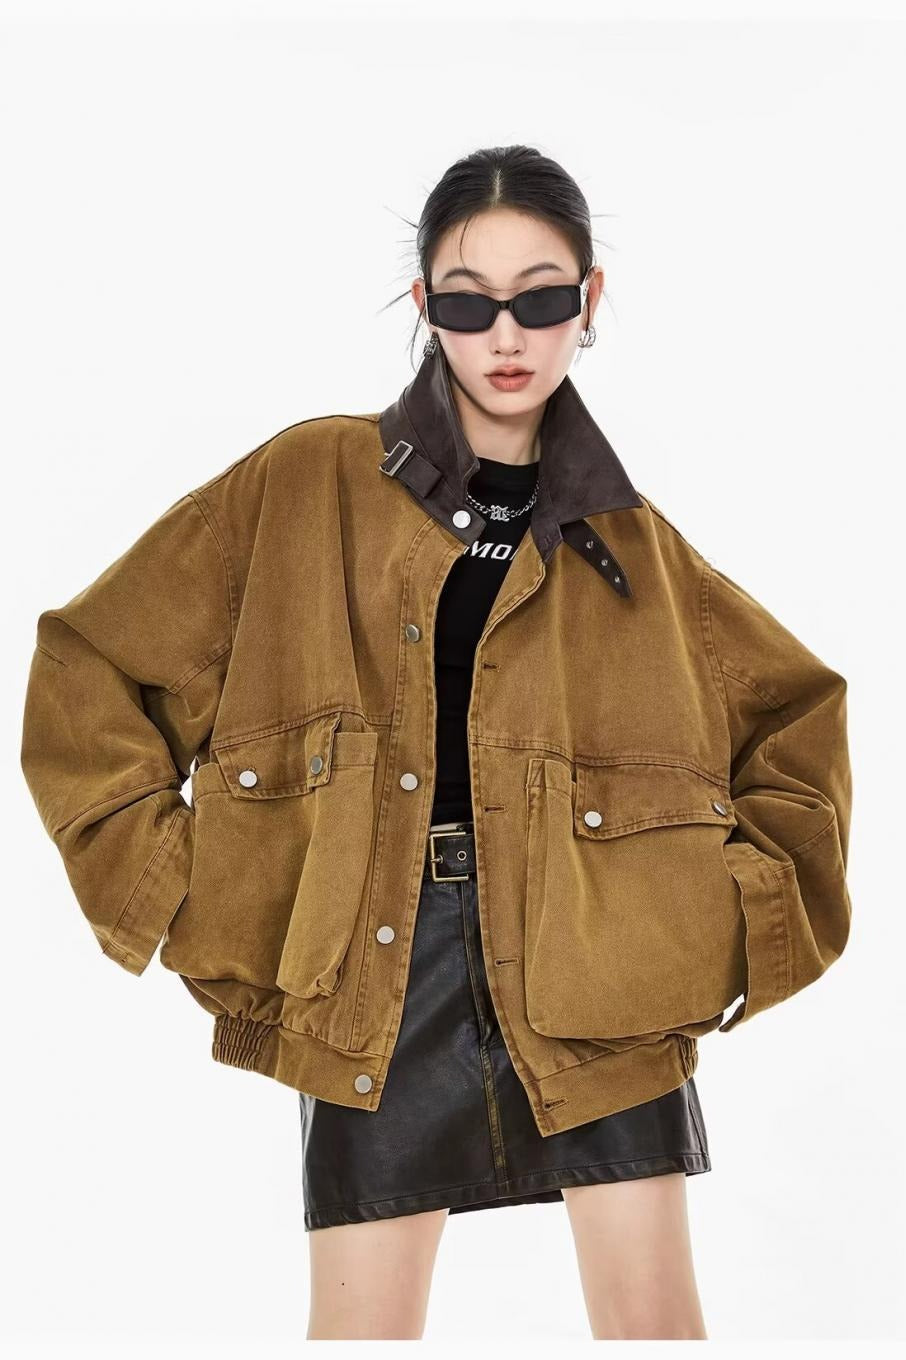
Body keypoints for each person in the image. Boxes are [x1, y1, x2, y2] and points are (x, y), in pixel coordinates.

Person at [20, 145, 852, 1341]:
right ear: (425, 305)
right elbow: (88, 666)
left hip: (596, 969)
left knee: (655, 1327)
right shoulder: (305, 483)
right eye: (468, 302)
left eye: (541, 297)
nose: (505, 334)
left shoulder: (636, 548)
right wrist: (181, 886)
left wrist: (716, 913)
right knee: (361, 1333)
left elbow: (797, 718)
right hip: (373, 966)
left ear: (590, 300)